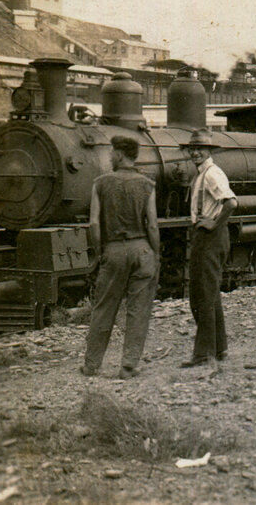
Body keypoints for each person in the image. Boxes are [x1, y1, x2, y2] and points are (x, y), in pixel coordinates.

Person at [83, 136, 159, 379]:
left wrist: (99, 251)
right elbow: (153, 225)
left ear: (119, 155)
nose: (109, 157)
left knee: (104, 308)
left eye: (112, 153)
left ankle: (92, 365)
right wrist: (155, 254)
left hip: (113, 250)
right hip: (142, 249)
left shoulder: (100, 183)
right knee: (138, 310)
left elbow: (94, 223)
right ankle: (128, 366)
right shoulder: (148, 185)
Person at [184, 129, 238, 368]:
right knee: (209, 294)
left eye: (200, 149)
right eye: (192, 149)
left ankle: (204, 355)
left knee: (202, 295)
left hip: (210, 236)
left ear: (209, 151)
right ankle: (219, 348)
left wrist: (214, 223)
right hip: (206, 234)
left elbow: (231, 202)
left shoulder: (212, 174)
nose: (195, 152)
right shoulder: (202, 173)